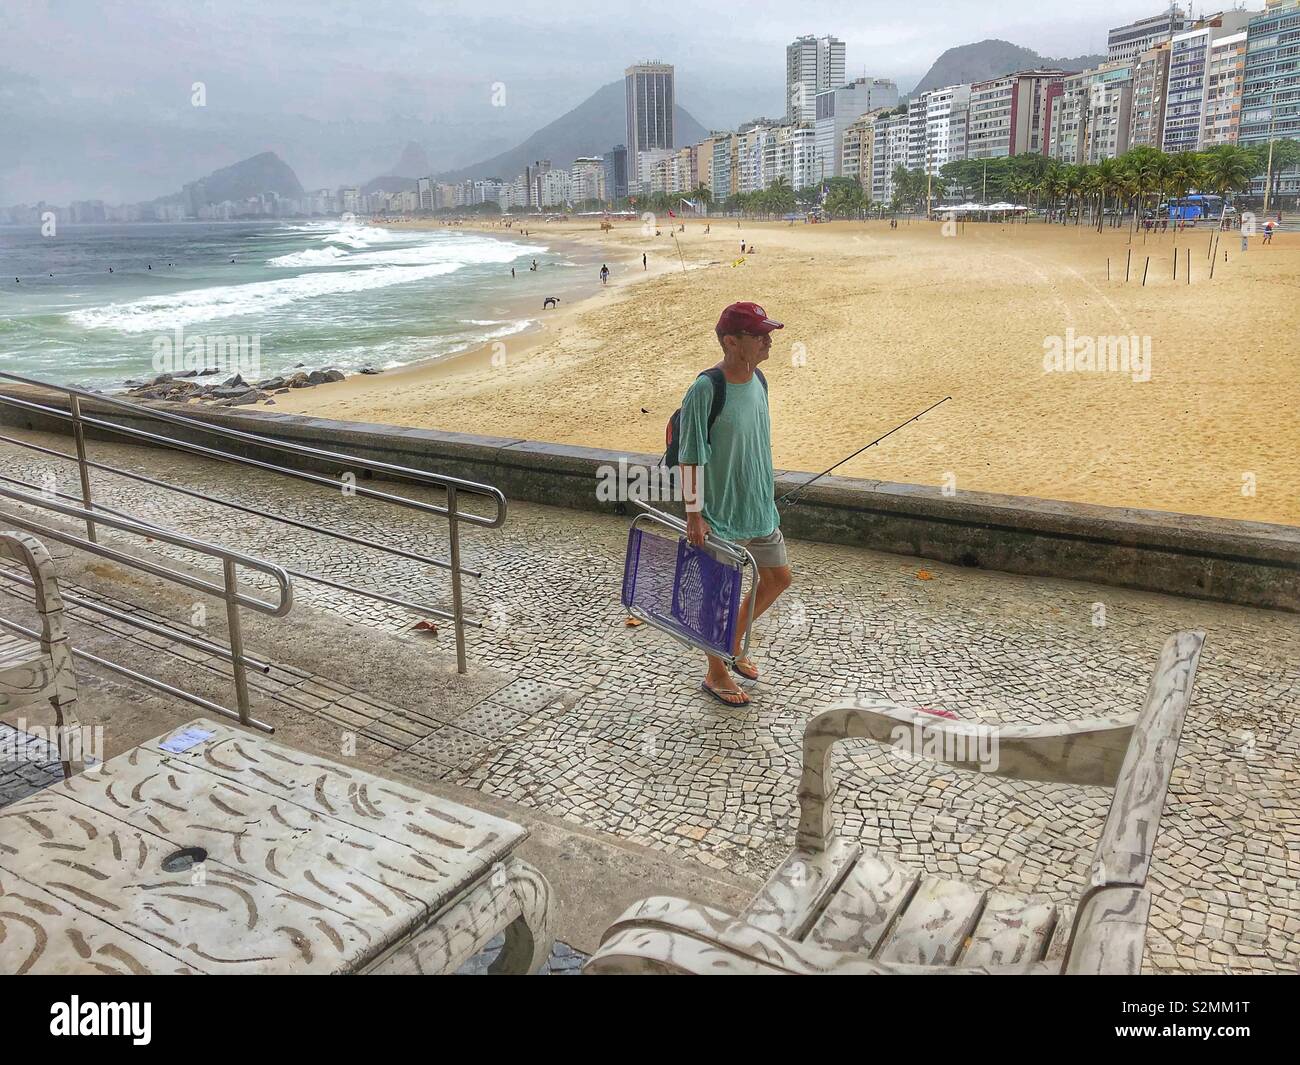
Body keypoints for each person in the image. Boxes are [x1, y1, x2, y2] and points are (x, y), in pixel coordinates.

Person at [677, 301, 792, 707]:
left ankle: (732, 644)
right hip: (717, 514)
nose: (769, 341)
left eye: (769, 333)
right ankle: (715, 672)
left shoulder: (759, 380)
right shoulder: (705, 389)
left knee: (778, 578)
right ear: (731, 342)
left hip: (758, 505)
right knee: (717, 594)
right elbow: (689, 455)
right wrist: (694, 514)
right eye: (759, 336)